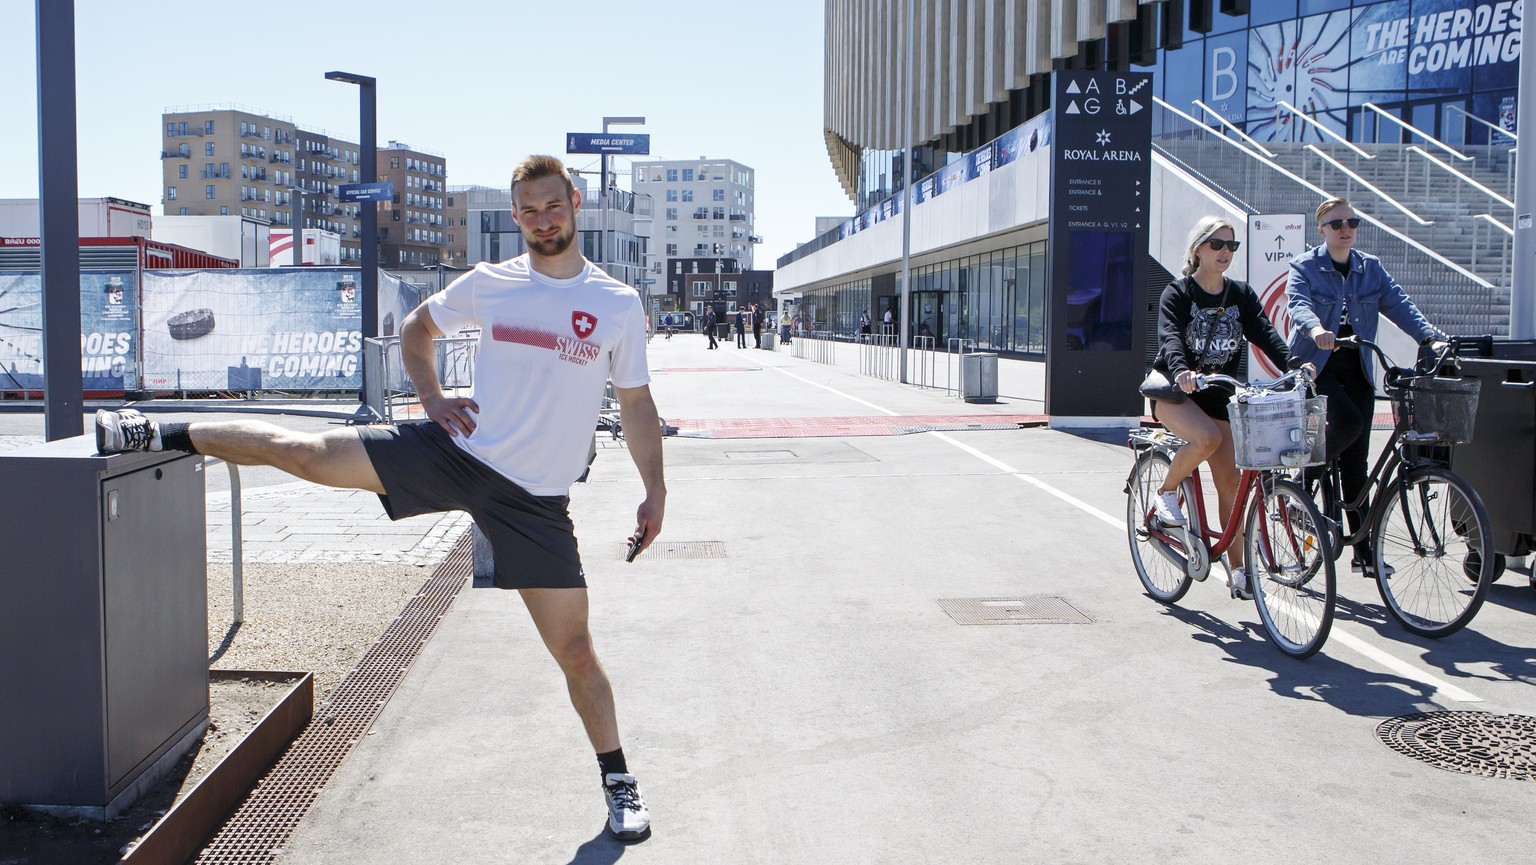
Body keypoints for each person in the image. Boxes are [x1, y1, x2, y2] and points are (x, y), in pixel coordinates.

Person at [94, 155, 663, 843]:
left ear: (574, 202)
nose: (543, 220)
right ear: (515, 217)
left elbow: (635, 401)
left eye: (553, 205)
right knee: (302, 452)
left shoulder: (615, 304)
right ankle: (156, 427)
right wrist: (430, 397)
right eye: (529, 211)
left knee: (575, 650)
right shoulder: (490, 285)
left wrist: (654, 489)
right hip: (457, 453)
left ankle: (618, 781)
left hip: (534, 501)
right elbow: (417, 331)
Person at [1287, 197, 1446, 577]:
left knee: (1357, 461)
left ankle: (1364, 551)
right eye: (1337, 222)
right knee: (1349, 422)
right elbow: (1297, 303)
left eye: (1353, 222)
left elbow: (1399, 304)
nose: (1347, 228)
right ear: (1321, 229)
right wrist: (1316, 330)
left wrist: (1431, 339)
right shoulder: (1305, 266)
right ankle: (1302, 484)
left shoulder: (1369, 268)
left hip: (1358, 364)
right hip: (1316, 364)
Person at [1147, 215, 1297, 601]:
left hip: (1220, 397)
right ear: (1199, 249)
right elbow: (1171, 338)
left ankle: (1241, 572)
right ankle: (1165, 493)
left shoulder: (1240, 294)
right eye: (1218, 244)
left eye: (1232, 245)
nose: (1226, 252)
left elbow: (1264, 332)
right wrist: (1182, 372)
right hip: (1177, 396)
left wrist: (1295, 365)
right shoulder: (1178, 293)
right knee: (1207, 438)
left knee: (1232, 483)